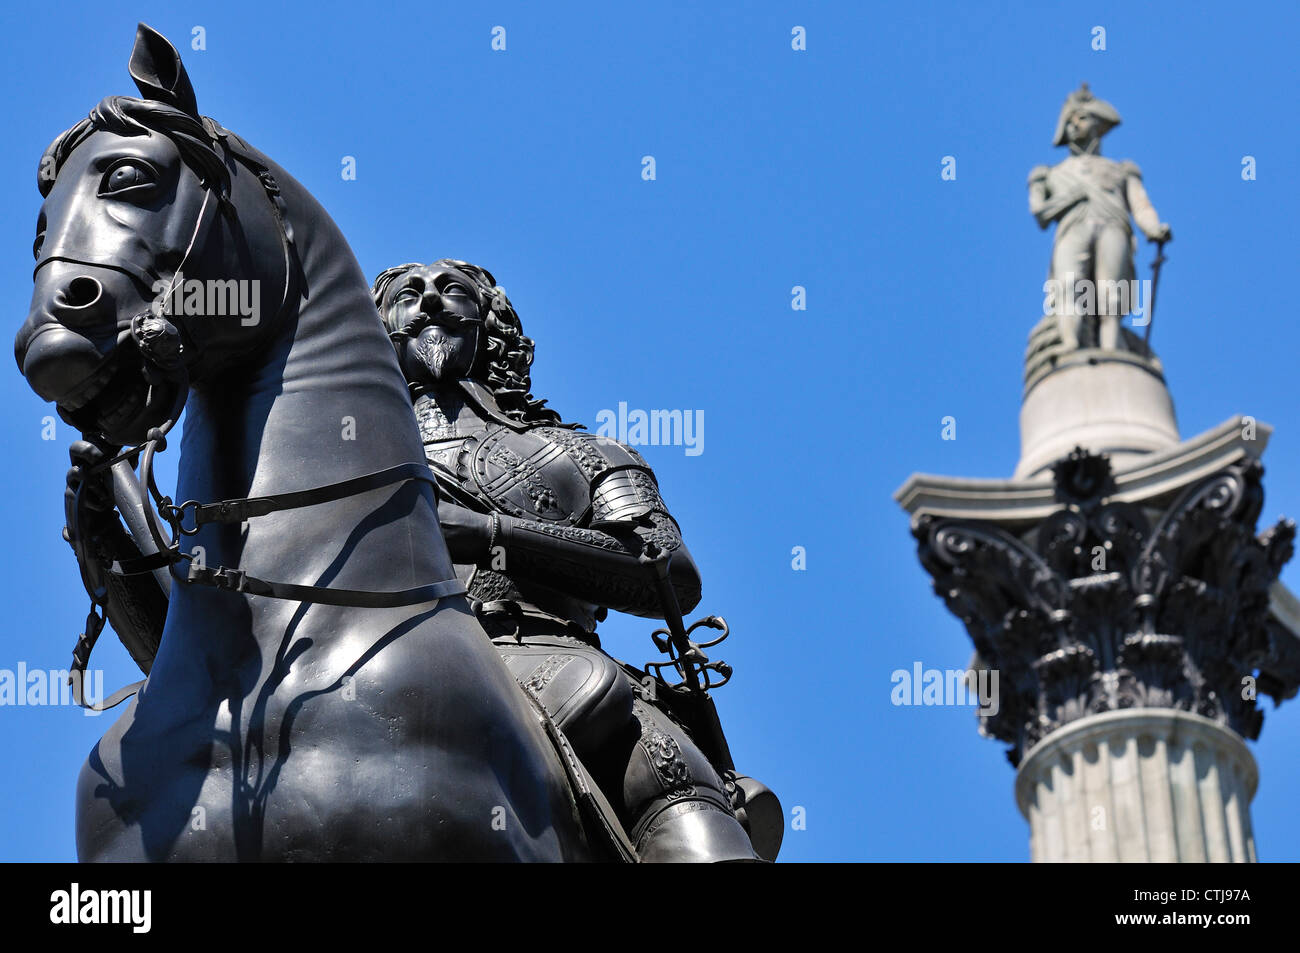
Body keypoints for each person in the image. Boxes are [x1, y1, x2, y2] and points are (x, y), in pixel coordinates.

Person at [372, 259, 768, 861]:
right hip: (372, 652)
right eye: (407, 295)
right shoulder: (341, 455)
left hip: (556, 658)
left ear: (490, 322)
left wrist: (489, 533)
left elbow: (669, 572)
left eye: (450, 292)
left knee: (676, 787)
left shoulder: (584, 452)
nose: (428, 303)